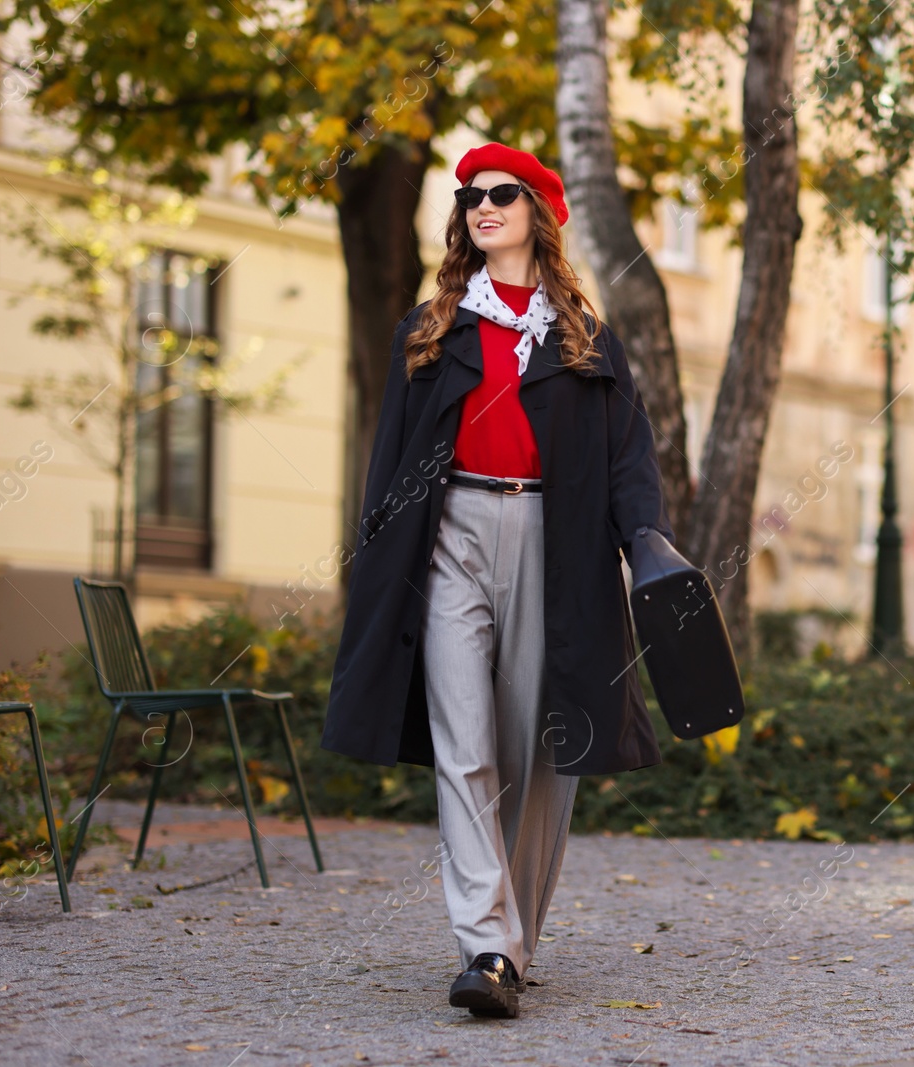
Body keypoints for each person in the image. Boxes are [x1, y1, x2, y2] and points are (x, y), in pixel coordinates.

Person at [321, 142, 675, 1020]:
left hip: (557, 542)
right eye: (471, 196)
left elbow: (631, 461)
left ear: (538, 214)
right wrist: (379, 563)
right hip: (451, 538)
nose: (482, 207)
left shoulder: (587, 341)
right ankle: (486, 940)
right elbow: (391, 461)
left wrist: (648, 542)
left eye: (502, 195)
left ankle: (511, 945)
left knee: (543, 748)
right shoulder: (431, 330)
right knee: (465, 742)